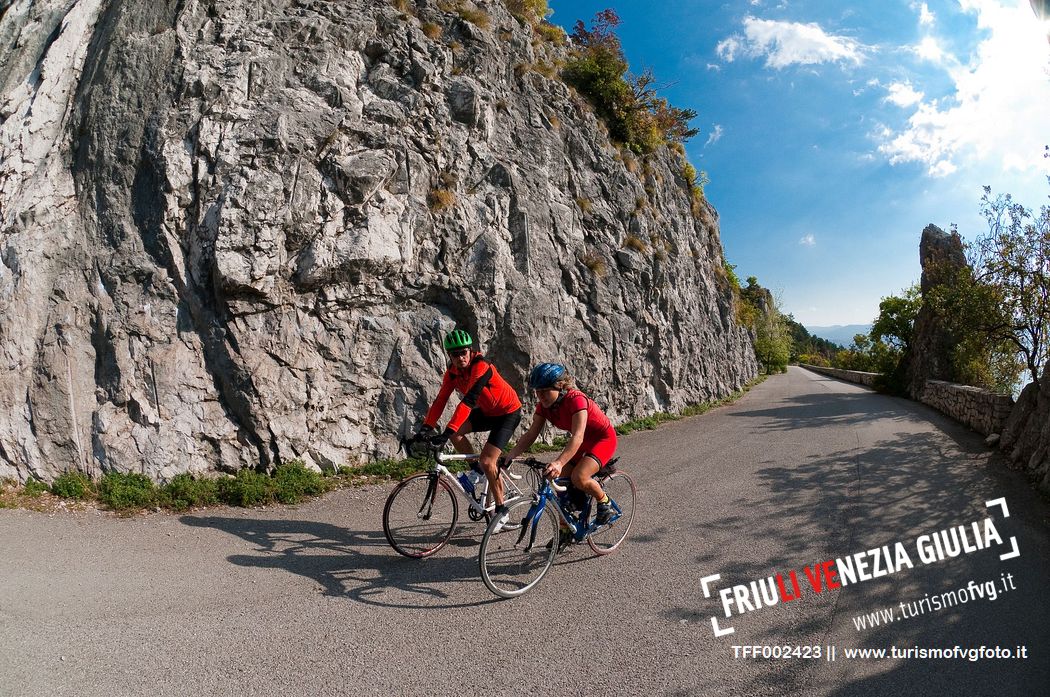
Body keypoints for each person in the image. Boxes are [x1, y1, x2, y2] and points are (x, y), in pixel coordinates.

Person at [417, 329, 522, 522]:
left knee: (489, 461)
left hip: (508, 413)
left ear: (470, 351)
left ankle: (501, 512)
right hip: (487, 412)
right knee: (455, 435)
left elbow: (469, 400)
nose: (460, 358)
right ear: (449, 355)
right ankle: (477, 471)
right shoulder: (452, 373)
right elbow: (440, 400)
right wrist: (426, 427)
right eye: (454, 354)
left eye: (463, 352)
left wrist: (447, 429)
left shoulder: (481, 366)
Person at [503, 362, 618, 538]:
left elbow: (577, 436)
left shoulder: (576, 400)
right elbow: (531, 434)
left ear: (560, 386)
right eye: (537, 392)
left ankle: (605, 502)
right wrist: (510, 455)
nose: (540, 396)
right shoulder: (544, 406)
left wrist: (559, 462)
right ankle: (565, 529)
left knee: (579, 477)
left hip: (602, 439)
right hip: (581, 443)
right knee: (557, 478)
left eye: (544, 391)